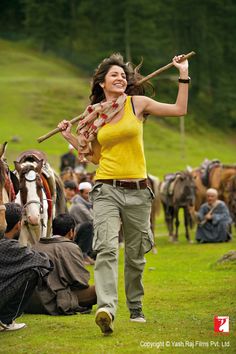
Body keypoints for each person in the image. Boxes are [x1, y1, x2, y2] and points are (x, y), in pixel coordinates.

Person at [57, 52, 190, 335]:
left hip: (139, 191)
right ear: (102, 83)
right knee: (105, 248)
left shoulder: (136, 104)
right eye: (113, 75)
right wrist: (70, 136)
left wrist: (183, 74)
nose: (120, 78)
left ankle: (136, 305)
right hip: (106, 187)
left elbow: (180, 109)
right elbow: (94, 156)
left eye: (122, 75)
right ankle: (106, 308)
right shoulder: (96, 115)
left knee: (135, 254)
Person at [25, 213, 97, 315]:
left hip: (30, 303)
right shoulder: (71, 247)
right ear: (71, 232)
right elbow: (82, 281)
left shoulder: (35, 247)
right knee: (100, 289)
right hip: (56, 301)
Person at [0, 203, 52, 332]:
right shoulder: (12, 247)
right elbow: (45, 261)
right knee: (34, 271)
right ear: (19, 224)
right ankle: (6, 320)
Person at [70, 181, 95, 265]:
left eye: (90, 193)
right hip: (74, 233)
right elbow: (92, 219)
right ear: (80, 193)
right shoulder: (78, 204)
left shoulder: (86, 203)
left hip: (82, 232)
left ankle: (88, 254)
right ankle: (82, 255)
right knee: (88, 226)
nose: (89, 196)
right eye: (87, 193)